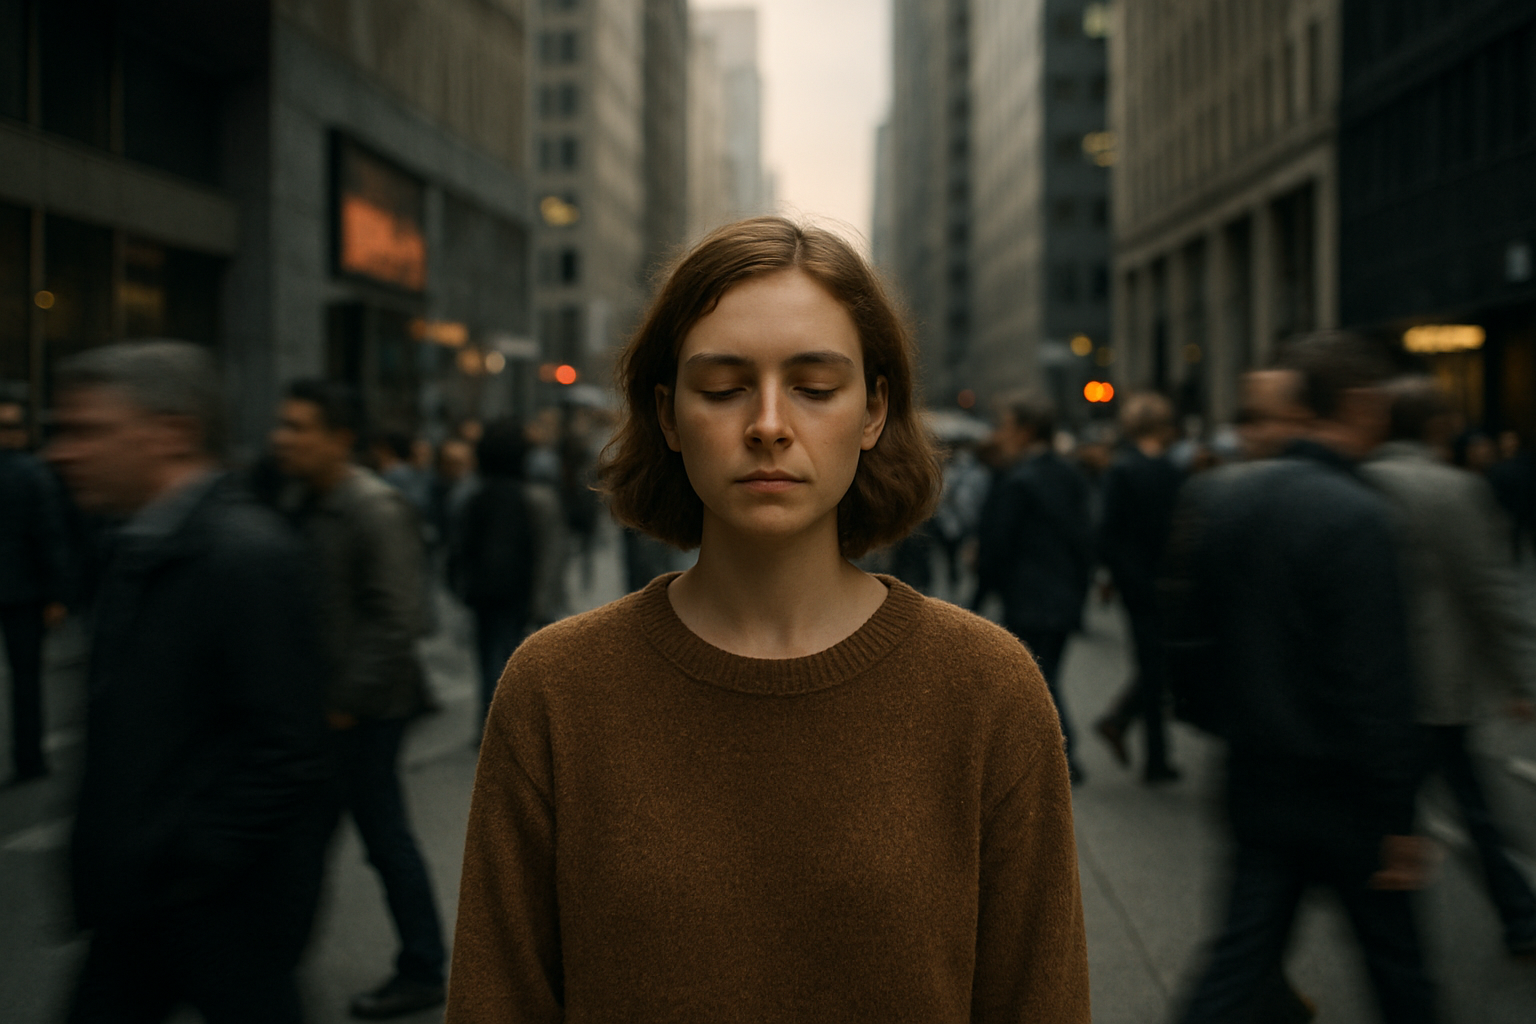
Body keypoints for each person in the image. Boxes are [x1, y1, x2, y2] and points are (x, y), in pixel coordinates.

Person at [447, 217, 1090, 1021]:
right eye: (722, 387)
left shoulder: (987, 688)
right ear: (669, 414)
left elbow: (1042, 1000)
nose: (769, 423)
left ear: (874, 410)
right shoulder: (556, 688)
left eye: (816, 387)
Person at [46, 342, 329, 1023]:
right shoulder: (135, 545)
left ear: (169, 434)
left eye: (89, 431)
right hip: (146, 901)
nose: (62, 452)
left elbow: (288, 749)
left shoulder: (244, 556)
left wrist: (194, 860)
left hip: (212, 908)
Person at [1164, 332, 1434, 1024]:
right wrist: (1396, 813)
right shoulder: (1360, 516)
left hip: (1258, 778)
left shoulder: (1221, 502)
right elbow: (1377, 678)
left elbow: (1190, 642)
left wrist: (1224, 723)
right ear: (1357, 405)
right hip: (1346, 793)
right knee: (1398, 969)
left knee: (1235, 964)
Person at [271, 381, 448, 1019]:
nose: (283, 439)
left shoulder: (374, 508)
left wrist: (346, 703)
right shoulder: (300, 502)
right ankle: (272, 964)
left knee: (379, 836)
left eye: (299, 427)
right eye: (281, 426)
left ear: (340, 439)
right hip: (321, 705)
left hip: (365, 712)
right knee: (309, 836)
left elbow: (396, 618)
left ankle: (423, 964)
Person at [1362, 377, 1536, 957]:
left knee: (1427, 810)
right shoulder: (1453, 490)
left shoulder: (1357, 477)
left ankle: (1514, 911)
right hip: (1437, 685)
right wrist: (1520, 677)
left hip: (1376, 683)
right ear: (1440, 426)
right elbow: (1490, 591)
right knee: (1468, 808)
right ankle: (1512, 914)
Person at [974, 393, 1094, 782]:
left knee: (1038, 678)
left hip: (1027, 595)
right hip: (1064, 594)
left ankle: (1062, 754)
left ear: (1025, 431)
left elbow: (997, 545)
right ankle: (1055, 753)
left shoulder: (1017, 480)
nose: (1000, 434)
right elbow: (1086, 539)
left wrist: (979, 595)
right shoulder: (1070, 475)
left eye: (1006, 426)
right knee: (1047, 672)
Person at [449, 418, 565, 728]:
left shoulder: (471, 496)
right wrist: (545, 602)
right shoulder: (537, 498)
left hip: (482, 590)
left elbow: (458, 547)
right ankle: (506, 726)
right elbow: (549, 554)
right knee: (514, 656)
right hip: (519, 590)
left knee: (488, 656)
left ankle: (489, 723)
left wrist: (458, 586)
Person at [1092, 392, 1182, 783]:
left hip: (1134, 579)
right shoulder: (1173, 472)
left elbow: (1108, 531)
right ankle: (1153, 755)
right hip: (1165, 581)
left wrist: (1109, 576)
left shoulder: (1122, 471)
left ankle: (1126, 726)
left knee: (1154, 660)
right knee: (1157, 661)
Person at [0, 398, 70, 784]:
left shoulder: (31, 473)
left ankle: (30, 759)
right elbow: (49, 535)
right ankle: (29, 759)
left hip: (21, 588)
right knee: (26, 680)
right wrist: (57, 594)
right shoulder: (34, 473)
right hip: (25, 592)